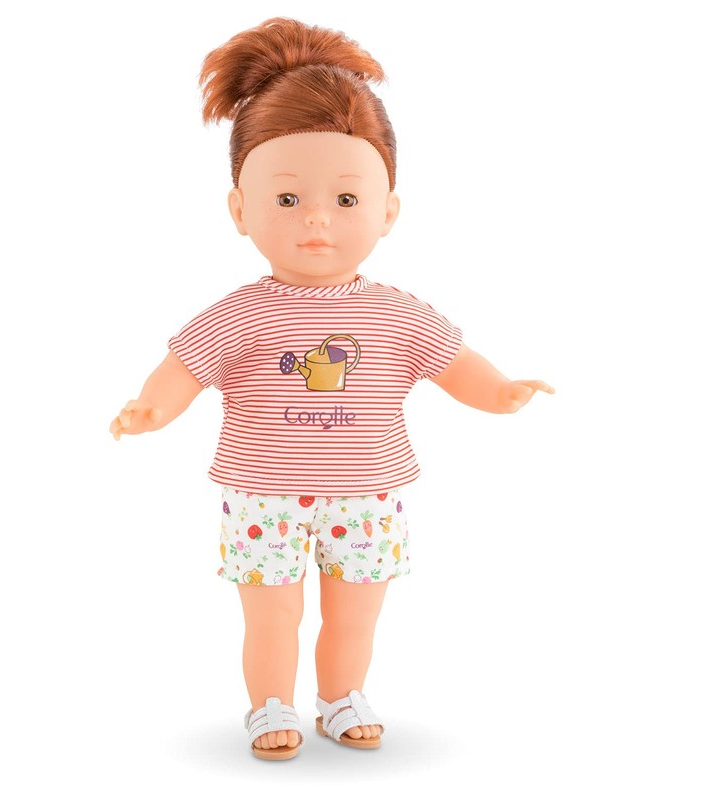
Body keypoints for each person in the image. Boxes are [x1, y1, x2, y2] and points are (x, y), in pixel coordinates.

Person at [110, 17, 553, 761]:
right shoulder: (240, 314)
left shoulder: (397, 313)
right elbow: (184, 368)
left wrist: (502, 390)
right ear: (240, 209)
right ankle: (270, 705)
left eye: (346, 200)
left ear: (388, 211)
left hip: (368, 493)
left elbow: (455, 364)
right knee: (272, 615)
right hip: (265, 495)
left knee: (355, 615)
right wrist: (152, 408)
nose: (317, 218)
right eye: (287, 200)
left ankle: (342, 696)